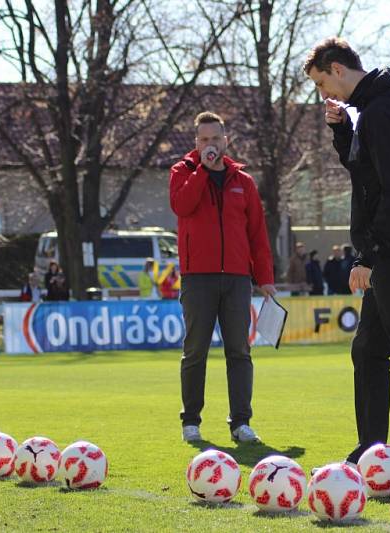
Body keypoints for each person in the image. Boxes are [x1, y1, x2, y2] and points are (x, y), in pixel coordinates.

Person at [306, 37, 390, 473]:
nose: (325, 93)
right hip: (389, 252)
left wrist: (370, 257)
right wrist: (343, 131)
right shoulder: (373, 110)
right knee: (367, 351)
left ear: (338, 69)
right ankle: (371, 452)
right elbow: (368, 175)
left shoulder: (380, 112)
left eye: (323, 82)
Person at [170, 111, 275, 444]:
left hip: (236, 279)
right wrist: (203, 169)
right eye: (203, 140)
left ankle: (240, 423)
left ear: (225, 140)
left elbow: (257, 233)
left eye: (215, 139)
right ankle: (191, 422)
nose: (209, 144)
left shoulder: (243, 181)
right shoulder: (182, 173)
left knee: (239, 352)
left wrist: (265, 277)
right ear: (195, 142)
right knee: (195, 351)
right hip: (197, 278)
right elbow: (182, 206)